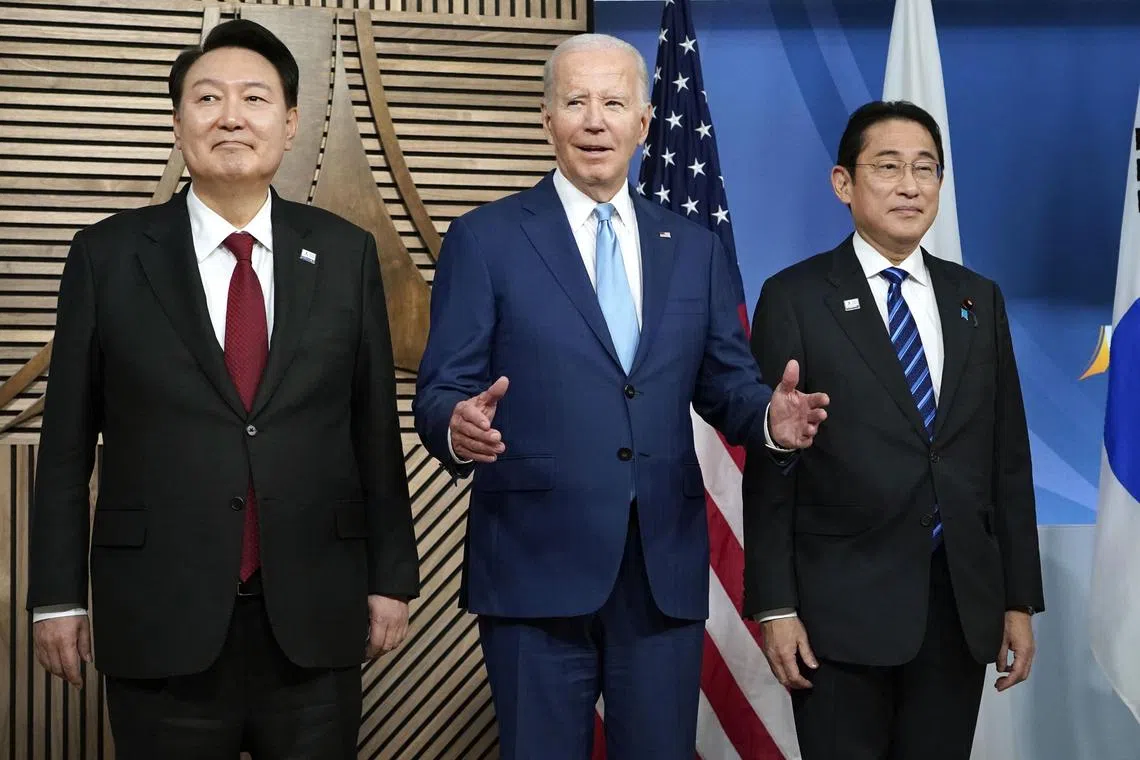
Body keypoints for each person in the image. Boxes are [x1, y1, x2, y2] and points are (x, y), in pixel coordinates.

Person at [413, 33, 828, 760]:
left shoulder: (694, 248)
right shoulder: (486, 240)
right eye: (576, 101)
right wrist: (457, 425)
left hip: (660, 568)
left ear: (644, 123)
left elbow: (725, 383)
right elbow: (441, 388)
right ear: (547, 118)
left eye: (614, 102)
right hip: (532, 568)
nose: (594, 120)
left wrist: (767, 416)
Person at [26, 19, 418, 760]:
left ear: (291, 122)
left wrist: (392, 578)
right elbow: (66, 446)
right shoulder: (107, 256)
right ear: (178, 123)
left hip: (315, 612)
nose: (231, 116)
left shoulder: (344, 253)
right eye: (207, 98)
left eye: (255, 98)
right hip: (158, 614)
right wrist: (57, 597)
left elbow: (373, 431)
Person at [743, 100, 1044, 760]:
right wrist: (774, 606)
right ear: (843, 183)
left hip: (959, 607)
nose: (910, 185)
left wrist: (1019, 600)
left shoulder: (977, 298)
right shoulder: (795, 297)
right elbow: (771, 469)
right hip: (837, 613)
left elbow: (1007, 458)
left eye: (926, 168)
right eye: (888, 166)